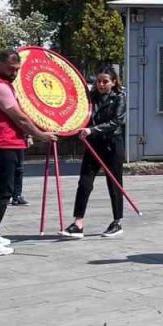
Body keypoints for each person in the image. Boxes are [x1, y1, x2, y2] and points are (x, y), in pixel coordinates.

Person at [0, 49, 57, 256]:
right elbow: (19, 117)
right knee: (2, 192)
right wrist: (40, 134)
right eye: (10, 69)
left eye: (17, 69)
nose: (14, 73)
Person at [62, 68, 128, 239]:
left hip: (112, 145)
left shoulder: (119, 98)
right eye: (99, 81)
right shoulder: (90, 98)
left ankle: (117, 222)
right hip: (93, 145)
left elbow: (116, 121)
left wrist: (92, 130)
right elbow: (80, 115)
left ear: (113, 82)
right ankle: (78, 223)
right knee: (84, 182)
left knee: (114, 183)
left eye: (105, 81)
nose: (101, 84)